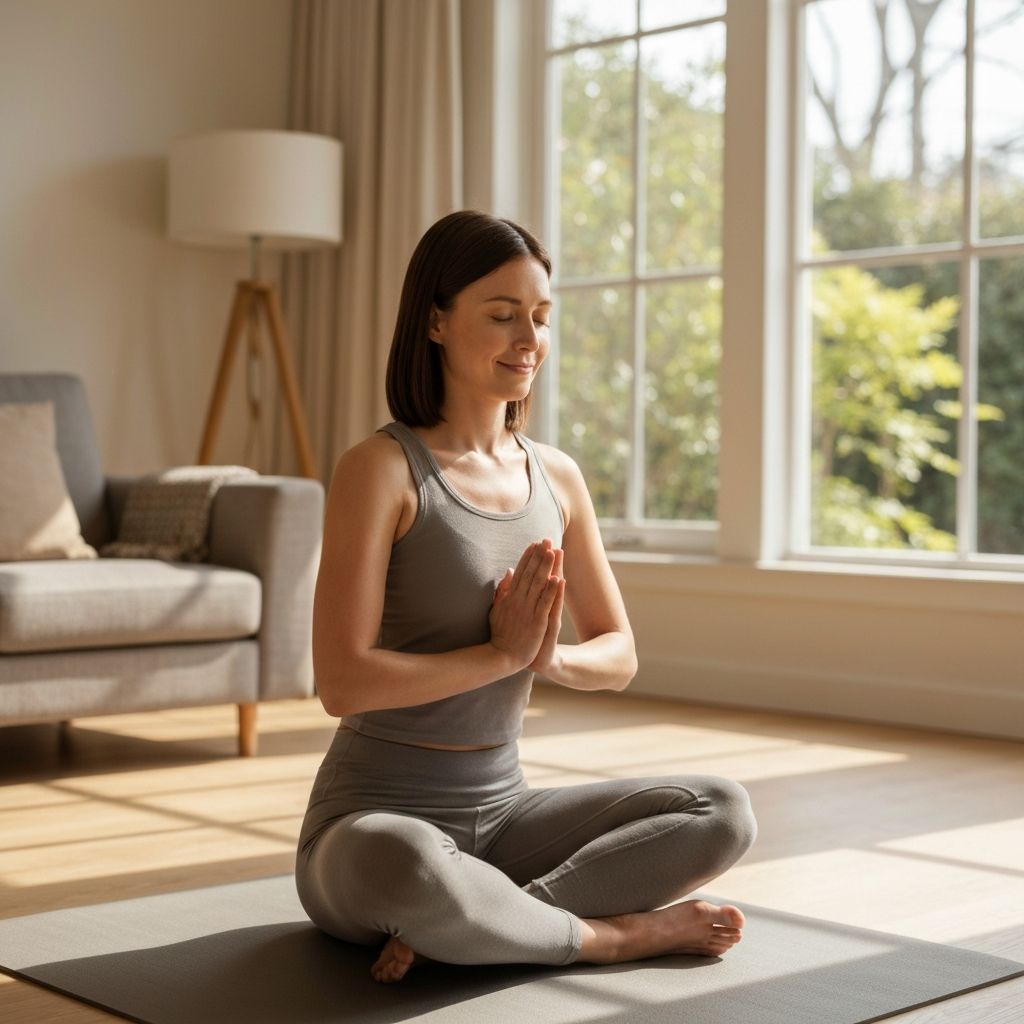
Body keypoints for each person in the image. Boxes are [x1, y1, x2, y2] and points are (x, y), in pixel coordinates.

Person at [295, 210, 757, 984]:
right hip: (372, 823)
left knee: (722, 809)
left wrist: (547, 658)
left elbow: (618, 655)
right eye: (503, 315)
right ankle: (614, 938)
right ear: (436, 322)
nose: (530, 339)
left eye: (541, 316)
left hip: (507, 814)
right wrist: (498, 655)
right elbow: (341, 683)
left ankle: (486, 921)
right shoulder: (381, 469)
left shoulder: (557, 476)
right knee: (411, 861)